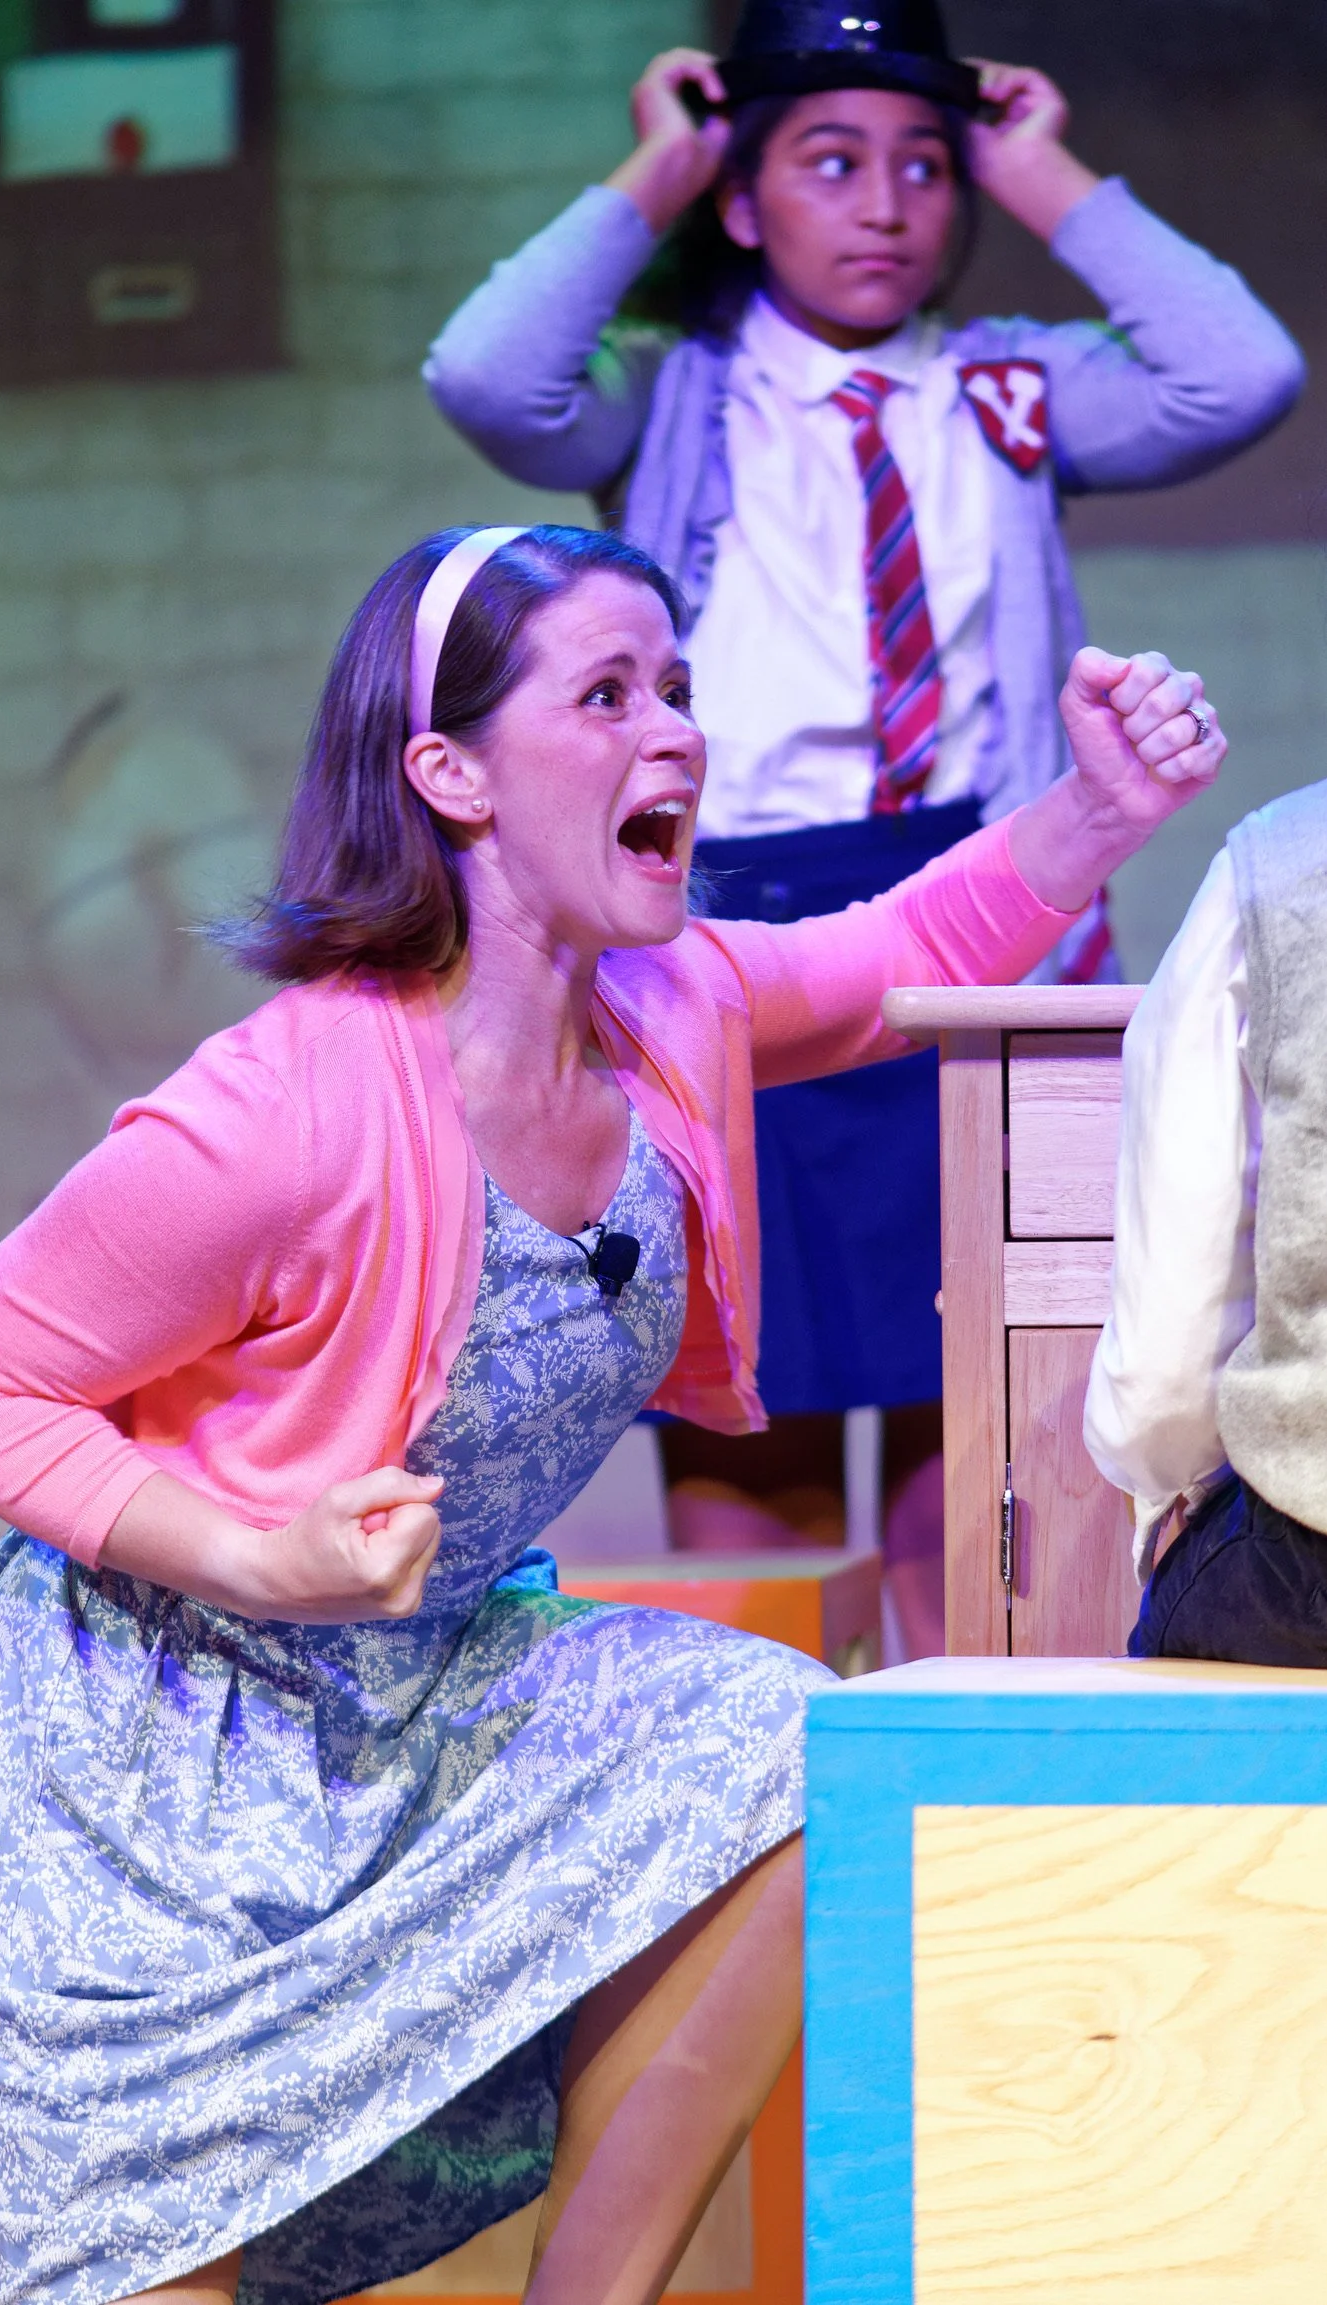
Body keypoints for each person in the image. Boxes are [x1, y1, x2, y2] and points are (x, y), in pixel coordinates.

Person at [0, 524, 1220, 2305]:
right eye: (605, 696)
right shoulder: (276, 1115)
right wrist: (254, 1554)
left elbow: (900, 945)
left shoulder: (669, 1010)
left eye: (675, 688)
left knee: (791, 1743)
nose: (671, 732)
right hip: (149, 1775)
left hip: (419, 1687)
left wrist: (1100, 808)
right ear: (448, 774)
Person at [423, 0, 1303, 1652]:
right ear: (747, 202)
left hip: (974, 911)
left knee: (961, 1433)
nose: (887, 205)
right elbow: (485, 373)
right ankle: (768, 1834)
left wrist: (1043, 177)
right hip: (734, 929)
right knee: (742, 1411)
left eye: (920, 168)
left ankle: (940, 1825)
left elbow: (1236, 371)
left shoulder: (1008, 389)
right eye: (829, 164)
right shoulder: (676, 394)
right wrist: (659, 164)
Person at [1086, 781, 1327, 1667]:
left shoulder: (1280, 858)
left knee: (1181, 1606)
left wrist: (1163, 1485)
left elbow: (1167, 1351)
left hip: (1313, 1560)